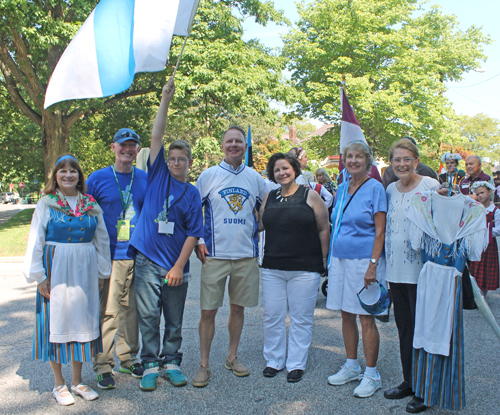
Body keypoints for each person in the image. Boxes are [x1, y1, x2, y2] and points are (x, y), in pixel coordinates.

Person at [129, 78, 204, 391]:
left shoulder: (192, 192)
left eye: (181, 159)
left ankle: (171, 361)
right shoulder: (157, 173)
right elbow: (156, 134)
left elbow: (192, 233)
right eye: (172, 158)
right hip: (147, 260)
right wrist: (165, 99)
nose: (175, 162)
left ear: (189, 163)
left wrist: (177, 267)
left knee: (173, 320)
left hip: (177, 266)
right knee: (148, 317)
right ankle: (149, 364)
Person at [23, 154, 111, 406]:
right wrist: (40, 276)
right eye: (63, 171)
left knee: (82, 321)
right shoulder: (47, 203)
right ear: (56, 176)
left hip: (85, 268)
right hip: (56, 267)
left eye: (73, 170)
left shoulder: (90, 204)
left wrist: (102, 273)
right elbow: (35, 240)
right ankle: (58, 384)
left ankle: (78, 381)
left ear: (79, 176)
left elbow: (102, 240)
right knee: (56, 321)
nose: (69, 175)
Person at [193, 125, 267, 387]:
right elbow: (195, 211)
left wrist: (258, 230)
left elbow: (269, 209)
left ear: (245, 147)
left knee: (238, 309)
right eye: (229, 141)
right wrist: (199, 240)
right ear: (222, 145)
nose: (234, 145)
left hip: (246, 256)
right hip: (215, 254)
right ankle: (204, 364)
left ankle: (232, 356)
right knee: (208, 312)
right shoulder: (209, 175)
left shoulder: (255, 178)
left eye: (238, 141)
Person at [407, 188, 486, 411]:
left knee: (447, 336)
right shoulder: (423, 204)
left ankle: (442, 394)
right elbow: (415, 243)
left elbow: (473, 252)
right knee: (423, 332)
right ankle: (422, 391)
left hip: (452, 281)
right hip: (428, 276)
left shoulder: (473, 210)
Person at [258, 153, 330, 383]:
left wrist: (324, 258)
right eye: (277, 170)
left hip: (304, 268)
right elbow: (260, 226)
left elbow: (323, 228)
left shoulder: (311, 195)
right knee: (272, 315)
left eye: (286, 168)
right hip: (272, 267)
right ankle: (274, 360)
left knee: (301, 318)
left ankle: (296, 363)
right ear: (273, 174)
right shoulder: (269, 197)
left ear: (295, 170)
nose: (282, 173)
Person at [86, 128, 147, 389]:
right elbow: (86, 217)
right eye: (123, 145)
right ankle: (102, 364)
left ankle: (128, 357)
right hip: (108, 255)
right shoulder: (97, 178)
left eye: (132, 145)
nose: (128, 149)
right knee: (109, 311)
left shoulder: (144, 178)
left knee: (132, 310)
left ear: (136, 150)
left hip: (137, 254)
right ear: (113, 147)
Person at [326, 141, 387, 398]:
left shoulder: (375, 188)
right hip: (340, 259)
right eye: (349, 156)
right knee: (345, 314)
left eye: (358, 157)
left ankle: (372, 374)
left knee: (365, 316)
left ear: (368, 160)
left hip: (364, 261)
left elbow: (381, 230)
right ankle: (352, 365)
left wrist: (373, 265)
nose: (353, 161)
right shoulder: (341, 188)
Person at [383, 139, 440, 413]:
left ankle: (426, 389)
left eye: (407, 159)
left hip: (422, 272)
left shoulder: (430, 186)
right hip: (396, 272)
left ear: (416, 161)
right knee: (405, 329)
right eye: (397, 160)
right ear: (391, 163)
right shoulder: (391, 189)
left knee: (423, 330)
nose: (402, 164)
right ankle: (410, 381)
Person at [469, 181, 500, 297]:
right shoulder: (475, 209)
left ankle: (482, 295)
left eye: (482, 192)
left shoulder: (495, 211)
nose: (480, 196)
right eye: (477, 194)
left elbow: (499, 229)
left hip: (488, 245)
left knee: (486, 269)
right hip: (476, 244)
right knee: (476, 268)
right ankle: (476, 294)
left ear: (490, 192)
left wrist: (486, 231)